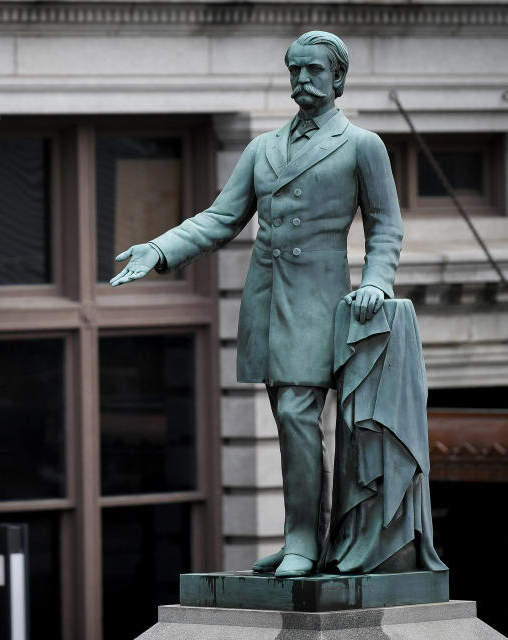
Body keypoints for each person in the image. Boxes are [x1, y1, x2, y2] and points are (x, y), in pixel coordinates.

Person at [110, 30, 403, 578]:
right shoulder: (261, 148)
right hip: (268, 301)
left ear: (338, 78)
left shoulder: (363, 145)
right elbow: (220, 218)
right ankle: (306, 538)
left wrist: (377, 282)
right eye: (295, 70)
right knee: (288, 418)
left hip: (324, 302)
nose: (302, 80)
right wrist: (159, 248)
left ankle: (306, 540)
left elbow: (385, 226)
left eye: (314, 70)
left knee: (299, 414)